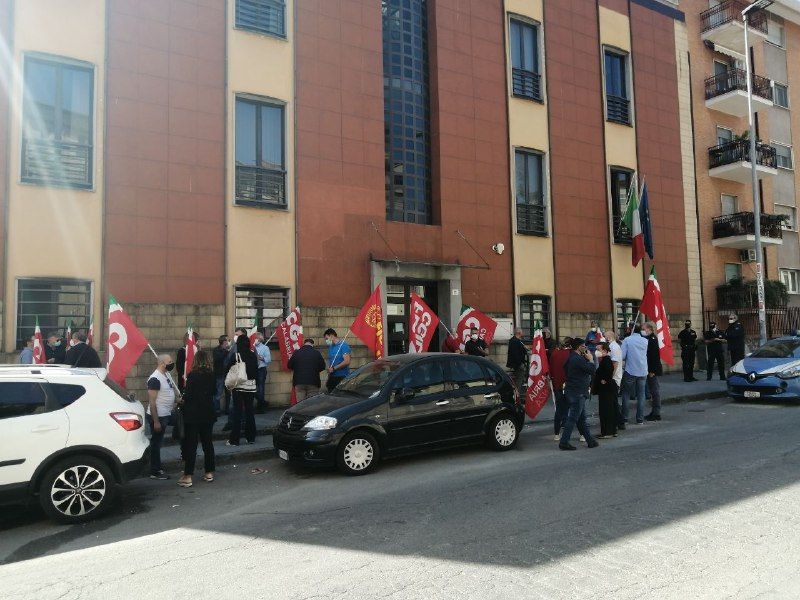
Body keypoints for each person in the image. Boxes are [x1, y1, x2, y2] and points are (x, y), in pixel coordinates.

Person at [177, 350, 216, 487]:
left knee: (191, 445)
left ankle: (188, 476)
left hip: (193, 415)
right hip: (208, 413)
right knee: (208, 443)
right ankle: (209, 472)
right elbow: (214, 392)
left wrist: (181, 400)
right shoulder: (211, 375)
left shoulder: (193, 375)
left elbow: (188, 395)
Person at [559, 339, 599, 451]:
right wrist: (591, 360)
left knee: (581, 419)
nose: (585, 348)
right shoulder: (578, 359)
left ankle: (590, 441)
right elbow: (592, 370)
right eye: (584, 346)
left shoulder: (571, 357)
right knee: (573, 418)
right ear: (579, 347)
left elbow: (566, 369)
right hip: (578, 392)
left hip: (572, 390)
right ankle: (564, 442)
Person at [146, 354, 177, 480]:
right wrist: (156, 421)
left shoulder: (166, 374)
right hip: (159, 416)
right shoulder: (154, 379)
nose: (172, 363)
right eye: (169, 361)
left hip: (168, 413)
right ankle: (155, 470)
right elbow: (152, 402)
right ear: (162, 363)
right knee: (156, 443)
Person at [227, 334, 258, 446]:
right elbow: (256, 370)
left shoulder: (236, 355)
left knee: (237, 413)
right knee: (250, 412)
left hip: (239, 387)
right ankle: (251, 438)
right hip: (251, 387)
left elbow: (227, 367)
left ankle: (234, 440)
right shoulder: (253, 355)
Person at [620, 324, 649, 425]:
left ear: (631, 330)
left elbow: (622, 356)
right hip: (643, 370)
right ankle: (640, 418)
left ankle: (625, 418)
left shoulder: (627, 340)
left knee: (626, 394)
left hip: (630, 370)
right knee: (641, 395)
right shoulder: (645, 341)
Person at [592, 342, 617, 438]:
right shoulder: (605, 360)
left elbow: (608, 372)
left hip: (605, 390)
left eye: (599, 349)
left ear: (605, 351)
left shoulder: (606, 360)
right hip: (606, 389)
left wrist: (604, 379)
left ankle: (607, 432)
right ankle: (611, 430)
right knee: (610, 409)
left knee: (606, 410)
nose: (597, 351)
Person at [550, 337, 572, 441]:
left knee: (559, 409)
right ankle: (582, 434)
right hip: (570, 385)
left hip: (557, 384)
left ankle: (557, 433)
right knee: (576, 410)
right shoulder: (571, 354)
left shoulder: (554, 353)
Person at [642, 322, 663, 422]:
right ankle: (654, 411)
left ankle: (656, 413)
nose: (643, 330)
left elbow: (654, 356)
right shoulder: (649, 339)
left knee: (655, 391)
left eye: (644, 328)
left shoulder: (653, 339)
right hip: (650, 369)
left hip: (652, 370)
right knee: (652, 391)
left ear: (649, 329)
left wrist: (652, 371)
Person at [606, 331, 624, 428]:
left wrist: (610, 377)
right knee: (613, 401)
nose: (605, 338)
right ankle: (618, 421)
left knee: (613, 401)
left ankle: (620, 421)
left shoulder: (614, 347)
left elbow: (615, 363)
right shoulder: (612, 347)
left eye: (605, 336)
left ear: (610, 337)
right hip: (614, 377)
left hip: (614, 378)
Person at [506, 328, 529, 393]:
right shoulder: (514, 341)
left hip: (519, 363)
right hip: (517, 364)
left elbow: (521, 350)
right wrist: (520, 364)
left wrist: (525, 349)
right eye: (522, 332)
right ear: (519, 333)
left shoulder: (518, 340)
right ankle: (517, 394)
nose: (523, 333)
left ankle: (517, 393)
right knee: (519, 380)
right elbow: (515, 354)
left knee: (520, 379)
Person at [254, 332, 272, 413]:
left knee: (261, 388)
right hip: (253, 369)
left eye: (256, 338)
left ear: (260, 339)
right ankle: (263, 402)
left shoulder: (265, 348)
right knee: (252, 388)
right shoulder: (251, 347)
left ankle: (260, 407)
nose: (255, 340)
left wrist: (261, 358)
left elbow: (268, 359)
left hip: (261, 370)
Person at [212, 334, 229, 415]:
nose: (228, 342)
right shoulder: (216, 350)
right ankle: (216, 410)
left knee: (229, 393)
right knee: (218, 393)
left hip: (228, 374)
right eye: (227, 340)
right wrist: (226, 352)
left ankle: (228, 409)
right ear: (224, 342)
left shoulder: (229, 350)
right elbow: (218, 359)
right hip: (219, 374)